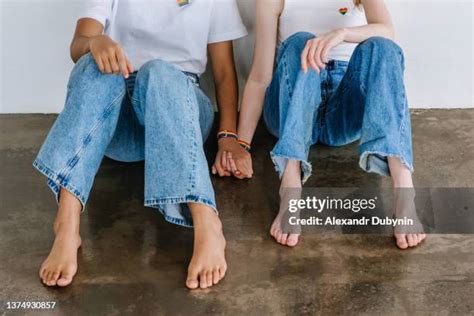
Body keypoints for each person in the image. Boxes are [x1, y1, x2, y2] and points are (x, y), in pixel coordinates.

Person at [34, 0, 248, 290]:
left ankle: (207, 220)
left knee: (158, 71)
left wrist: (228, 137)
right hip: (117, 110)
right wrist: (95, 42)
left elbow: (223, 72)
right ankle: (67, 224)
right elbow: (78, 45)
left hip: (179, 107)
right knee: (92, 65)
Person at [231, 0, 426, 249]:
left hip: (341, 109)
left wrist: (341, 34)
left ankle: (404, 192)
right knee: (302, 40)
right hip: (291, 104)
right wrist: (241, 144)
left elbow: (387, 29)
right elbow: (260, 77)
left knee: (383, 47)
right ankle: (290, 187)